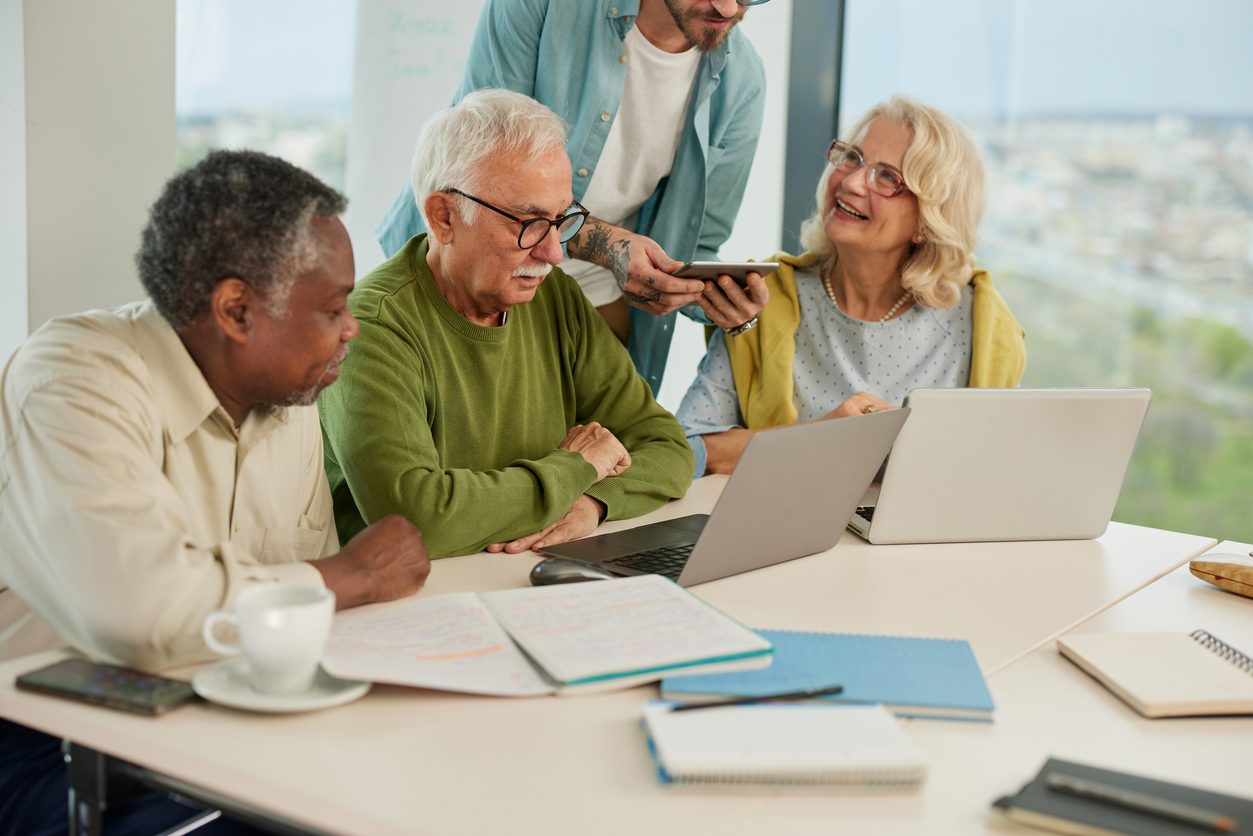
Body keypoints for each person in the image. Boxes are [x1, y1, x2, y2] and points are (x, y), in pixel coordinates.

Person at [0, 151, 430, 833]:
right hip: (48, 738)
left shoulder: (287, 393)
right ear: (236, 310)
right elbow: (144, 614)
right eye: (332, 308)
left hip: (210, 718)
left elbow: (305, 616)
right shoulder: (75, 377)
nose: (351, 327)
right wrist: (352, 576)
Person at [320, 89, 694, 558]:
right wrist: (575, 467)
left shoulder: (555, 297)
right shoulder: (372, 326)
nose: (554, 252)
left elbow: (667, 447)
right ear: (444, 217)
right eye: (530, 222)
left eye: (561, 220)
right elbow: (416, 521)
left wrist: (593, 502)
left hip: (531, 579)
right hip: (411, 601)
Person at [375, 0, 772, 392]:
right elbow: (481, 182)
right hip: (472, 281)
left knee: (629, 445)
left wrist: (714, 297)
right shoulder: (541, 6)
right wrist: (611, 247)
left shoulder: (743, 81)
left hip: (594, 304)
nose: (726, 6)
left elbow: (699, 242)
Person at [677, 96, 1027, 475]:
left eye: (888, 177)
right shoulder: (768, 297)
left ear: (929, 221)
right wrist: (820, 437)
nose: (853, 181)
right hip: (786, 528)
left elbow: (991, 471)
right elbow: (686, 450)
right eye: (853, 158)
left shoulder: (979, 326)